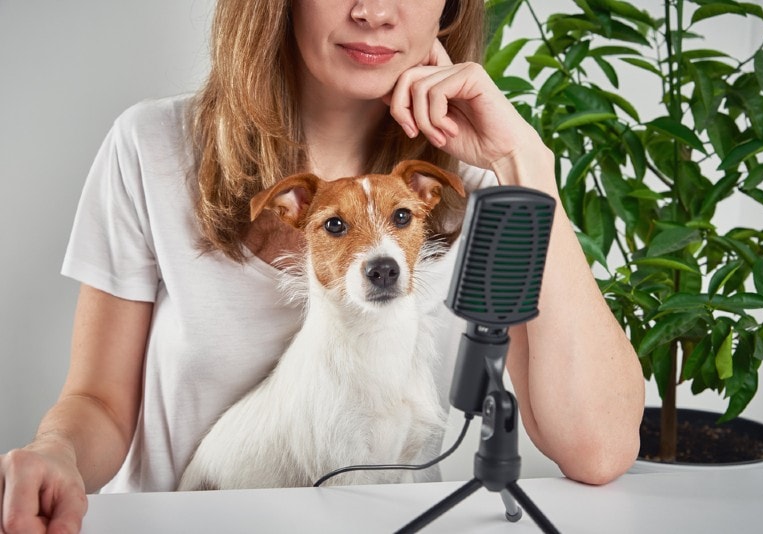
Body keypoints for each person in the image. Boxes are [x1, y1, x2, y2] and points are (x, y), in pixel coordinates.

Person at [0, 0, 645, 532]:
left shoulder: (483, 185)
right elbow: (100, 403)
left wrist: (525, 162)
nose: (375, 12)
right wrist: (56, 452)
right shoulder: (152, 148)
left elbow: (599, 449)